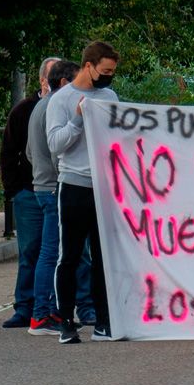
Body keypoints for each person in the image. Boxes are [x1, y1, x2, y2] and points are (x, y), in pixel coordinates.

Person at [47, 42, 121, 344]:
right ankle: (65, 320)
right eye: (104, 71)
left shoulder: (109, 96)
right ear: (88, 66)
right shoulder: (61, 100)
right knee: (71, 255)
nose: (108, 77)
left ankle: (104, 320)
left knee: (104, 256)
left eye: (112, 72)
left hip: (103, 186)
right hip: (74, 184)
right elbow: (55, 143)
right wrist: (78, 118)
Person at [26, 58, 94, 336]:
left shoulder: (40, 106)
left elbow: (31, 151)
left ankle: (48, 310)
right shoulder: (55, 106)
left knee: (53, 252)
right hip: (55, 186)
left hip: (42, 184)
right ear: (65, 82)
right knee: (54, 253)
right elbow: (57, 152)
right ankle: (42, 313)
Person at [0, 59, 56, 330]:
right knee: (30, 249)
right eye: (51, 76)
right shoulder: (23, 110)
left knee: (58, 251)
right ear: (42, 80)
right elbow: (9, 150)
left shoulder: (65, 108)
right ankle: (24, 306)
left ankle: (53, 306)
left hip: (54, 188)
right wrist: (14, 189)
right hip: (28, 190)